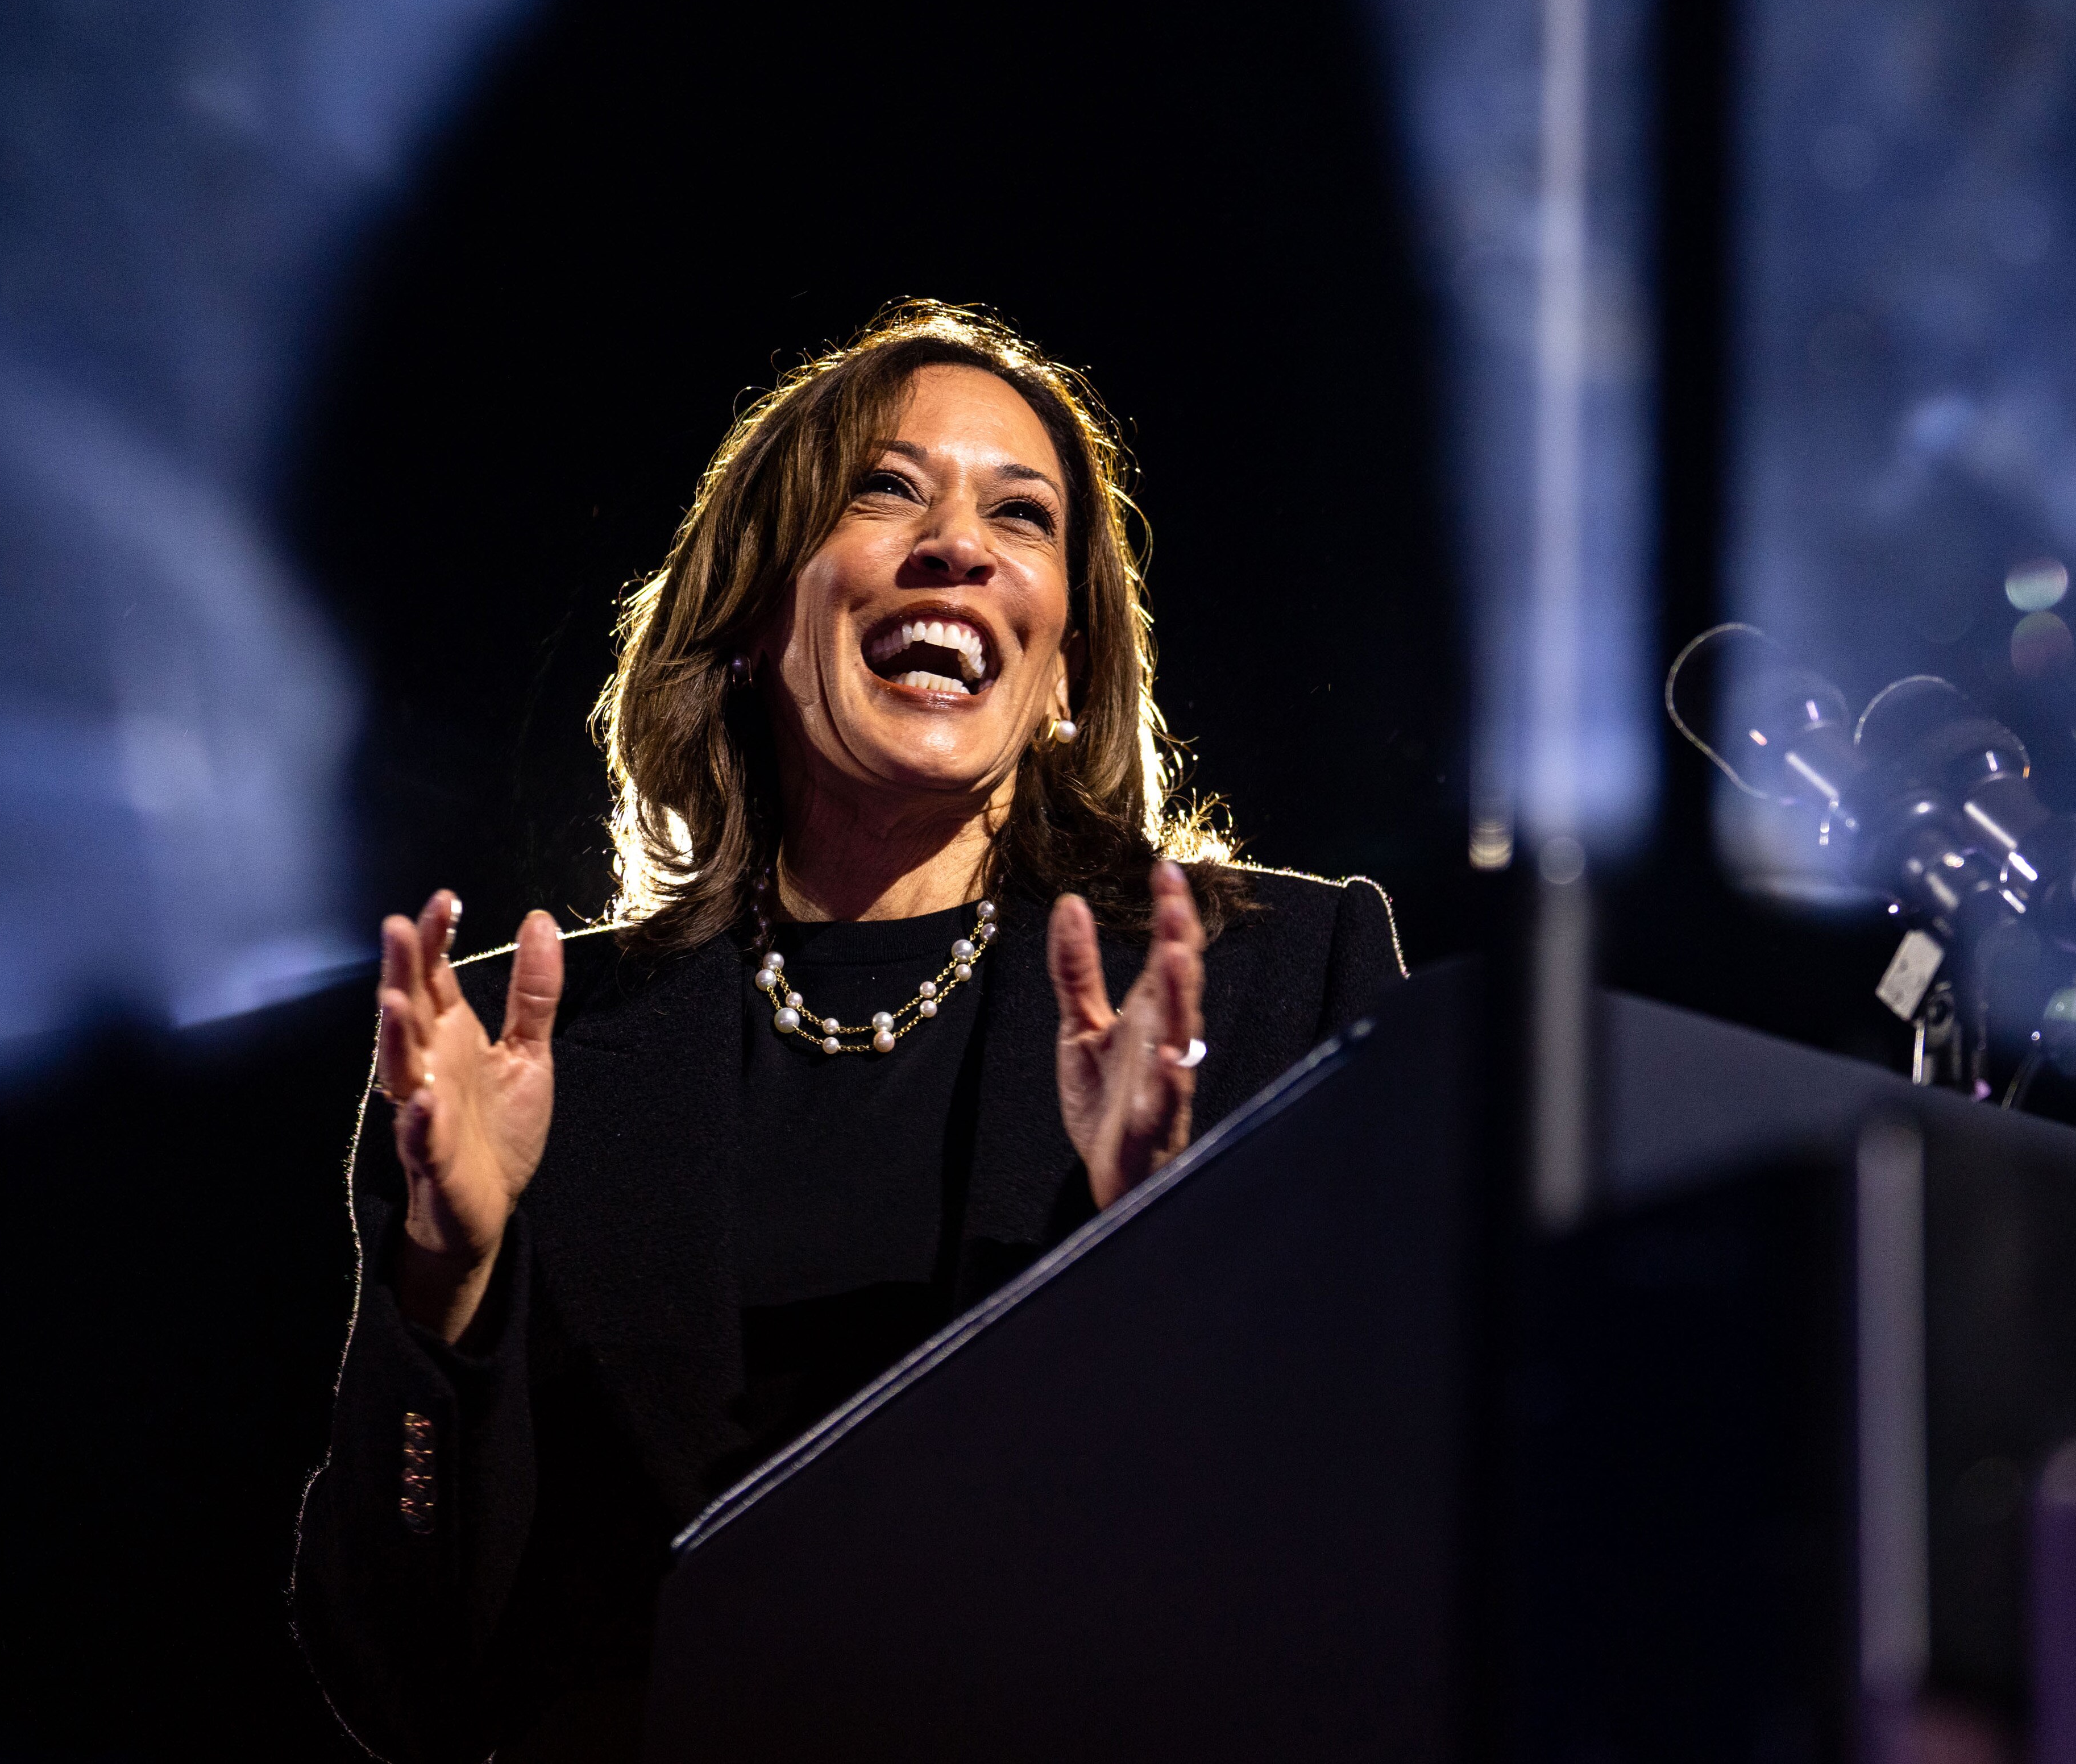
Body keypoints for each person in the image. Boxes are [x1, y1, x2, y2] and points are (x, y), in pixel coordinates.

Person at [290, 301, 1405, 1762]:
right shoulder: (517, 1049)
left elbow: (1380, 1546)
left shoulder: (1276, 983)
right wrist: (448, 1277)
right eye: (888, 490)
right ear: (758, 613)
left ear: (1064, 665)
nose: (961, 545)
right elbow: (404, 1684)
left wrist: (1172, 1248)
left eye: (1025, 515)